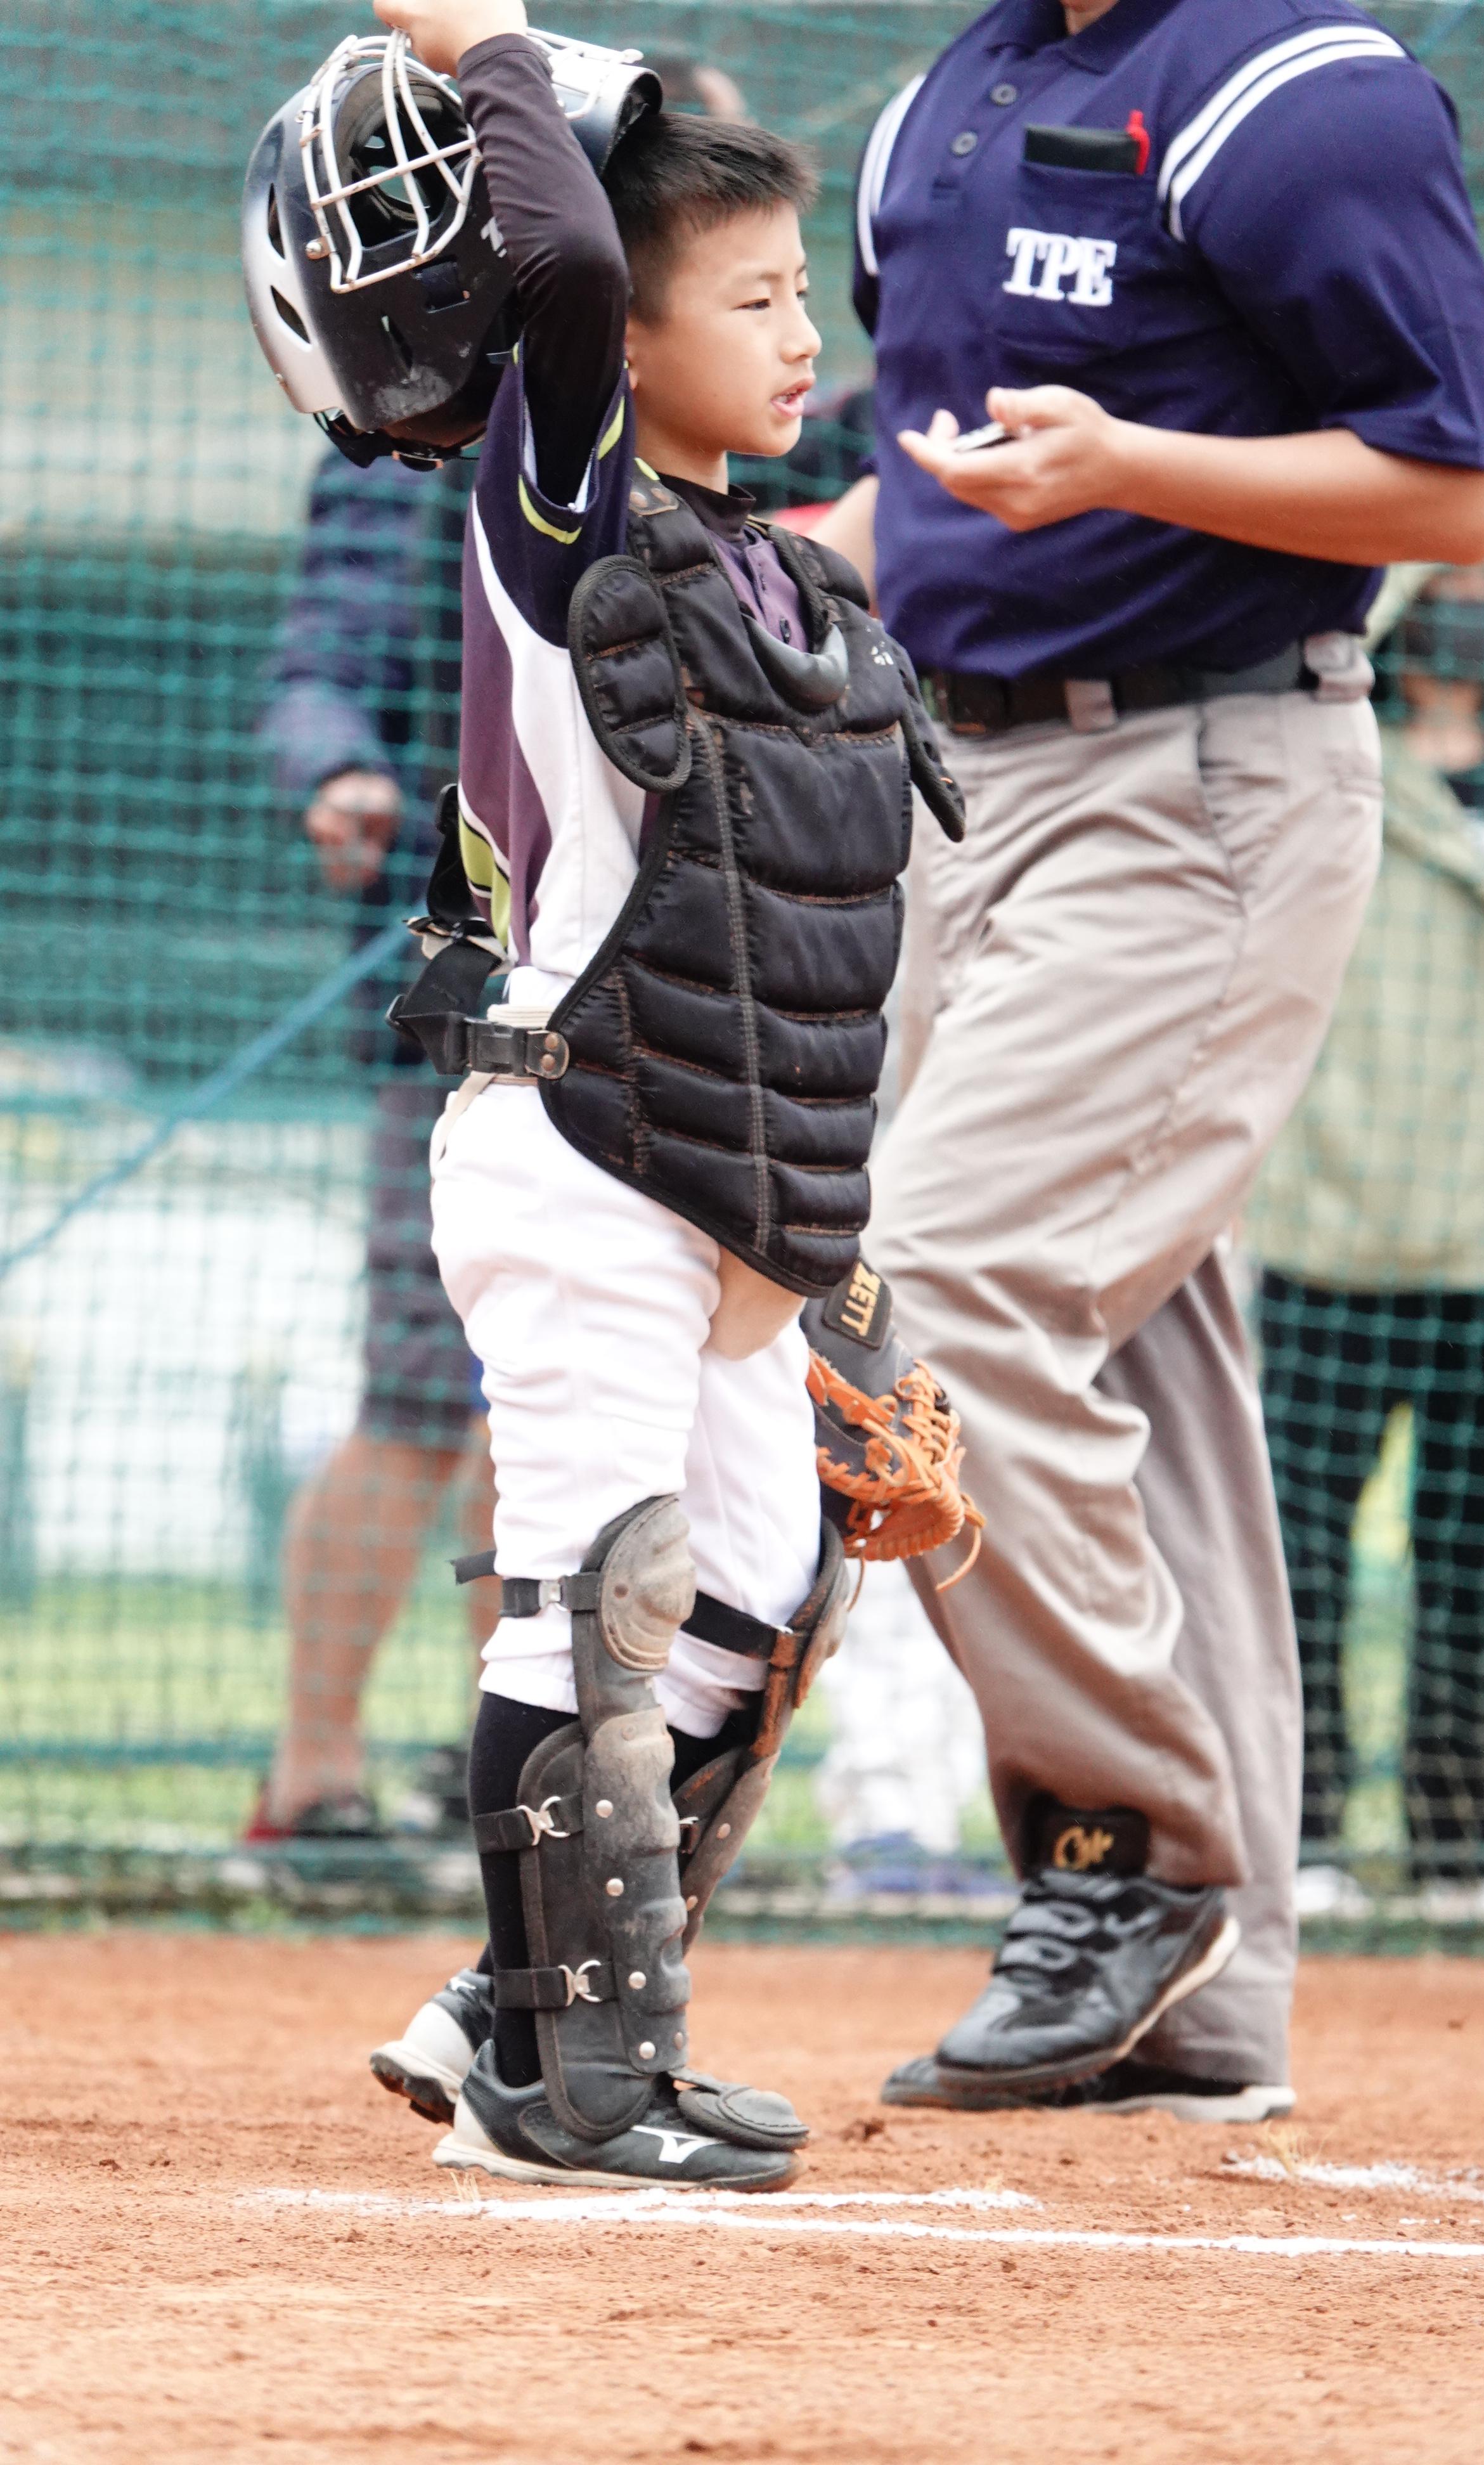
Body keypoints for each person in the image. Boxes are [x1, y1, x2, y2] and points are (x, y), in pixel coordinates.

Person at [253, 0, 965, 2189]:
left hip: (717, 1162)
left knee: (765, 1590)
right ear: (621, 346)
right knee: (603, 1586)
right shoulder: (554, 522)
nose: (800, 334)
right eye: (746, 301)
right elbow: (561, 259)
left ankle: (517, 2004)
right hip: (571, 1137)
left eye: (799, 292)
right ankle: (577, 2080)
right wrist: (490, 42)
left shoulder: (766, 559)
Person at [813, 0, 1484, 2121]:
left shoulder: (1298, 93)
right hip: (971, 786)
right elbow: (933, 485)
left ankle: (1131, 1851)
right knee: (1145, 1369)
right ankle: (1208, 1996)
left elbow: (1455, 492)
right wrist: (771, 559)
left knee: (950, 1289)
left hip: (1201, 776)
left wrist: (1128, 462)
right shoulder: (943, 101)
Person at [1246, 520, 1484, 1920]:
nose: (1475, 604)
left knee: (1476, 1559)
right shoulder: (1327, 760)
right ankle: (1301, 1836)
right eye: (1449, 581)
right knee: (1300, 1561)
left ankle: (1473, 1847)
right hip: (1338, 1225)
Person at [245, 452, 497, 1842]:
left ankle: (517, 1775)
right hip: (453, 994)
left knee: (571, 1407)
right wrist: (339, 770)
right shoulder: (401, 452)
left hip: (659, 988)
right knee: (419, 1393)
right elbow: (320, 668)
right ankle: (313, 1774)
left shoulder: (689, 409)